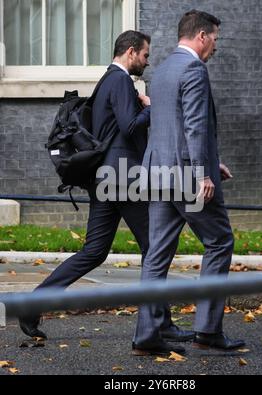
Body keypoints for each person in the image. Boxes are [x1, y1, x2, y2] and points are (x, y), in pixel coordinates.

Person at [19, 30, 193, 345]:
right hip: (124, 180)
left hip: (105, 179)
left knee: (94, 251)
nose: (147, 60)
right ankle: (161, 325)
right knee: (154, 248)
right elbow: (129, 126)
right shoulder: (121, 81)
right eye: (145, 54)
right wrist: (152, 106)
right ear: (130, 52)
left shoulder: (105, 82)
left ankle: (32, 305)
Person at [132, 11, 246, 356]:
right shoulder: (194, 69)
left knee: (156, 254)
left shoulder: (164, 69)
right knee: (219, 240)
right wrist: (203, 172)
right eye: (214, 39)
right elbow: (195, 125)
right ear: (201, 36)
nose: (215, 46)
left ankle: (146, 335)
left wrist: (213, 161)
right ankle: (207, 332)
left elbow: (171, 125)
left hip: (160, 173)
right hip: (187, 178)